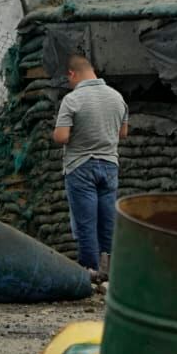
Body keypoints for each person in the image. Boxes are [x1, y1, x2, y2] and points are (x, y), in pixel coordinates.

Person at [53, 55, 128, 278]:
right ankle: (109, 274)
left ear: (72, 74)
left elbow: (62, 136)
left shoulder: (72, 99)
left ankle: (90, 273)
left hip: (81, 167)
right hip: (109, 166)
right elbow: (123, 133)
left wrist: (56, 132)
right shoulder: (117, 97)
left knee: (86, 223)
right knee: (108, 222)